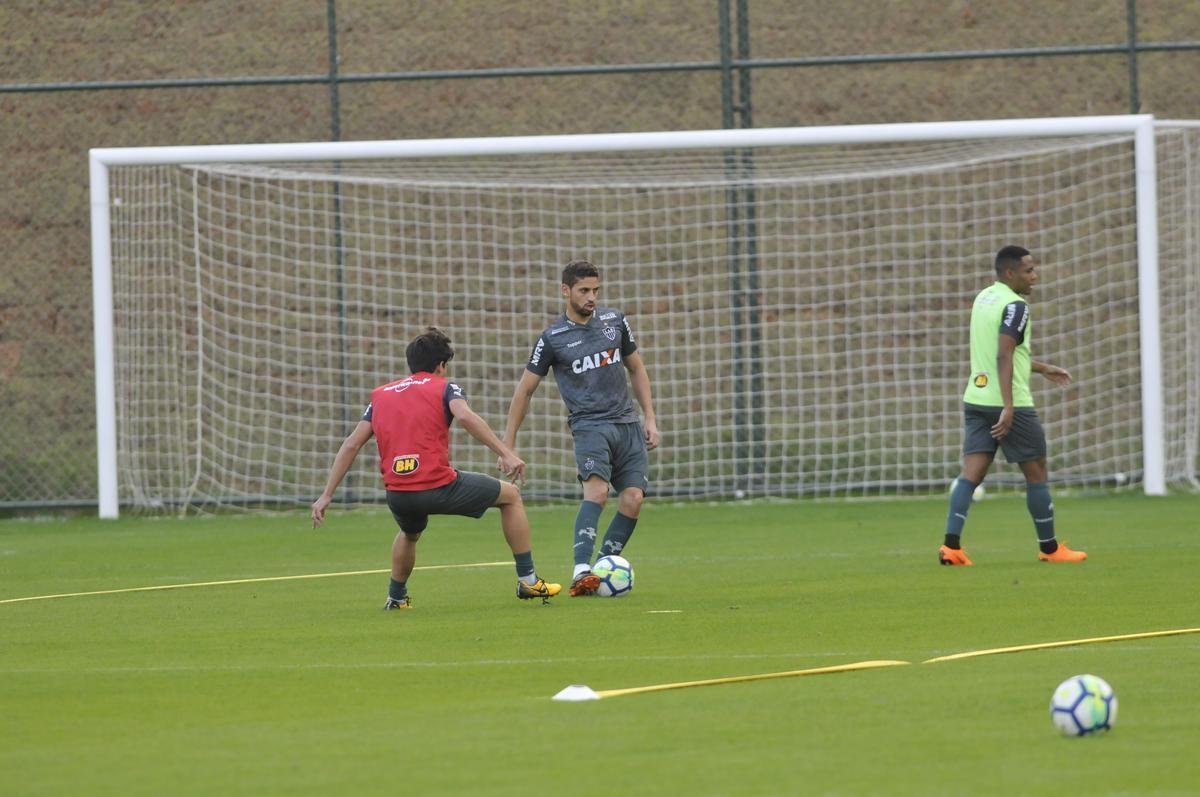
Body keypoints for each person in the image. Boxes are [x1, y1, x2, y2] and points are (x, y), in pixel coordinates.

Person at [311, 327, 561, 608]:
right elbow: (465, 416)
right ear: (441, 365)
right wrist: (506, 452)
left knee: (409, 533)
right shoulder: (445, 387)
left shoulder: (380, 396)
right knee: (511, 496)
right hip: (438, 486)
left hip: (399, 494)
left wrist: (326, 495)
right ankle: (528, 580)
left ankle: (396, 597)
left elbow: (350, 444)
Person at [502, 259, 661, 596]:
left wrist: (649, 417)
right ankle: (581, 569)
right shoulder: (552, 338)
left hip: (627, 423)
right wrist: (508, 444)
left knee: (633, 499)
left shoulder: (615, 322)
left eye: (596, 290)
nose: (592, 297)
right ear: (566, 291)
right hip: (590, 425)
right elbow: (525, 390)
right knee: (599, 492)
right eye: (584, 291)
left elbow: (636, 369)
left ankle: (602, 569)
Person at [940, 245, 1086, 566]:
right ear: (1010, 273)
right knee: (1036, 473)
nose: (1034, 277)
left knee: (970, 475)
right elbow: (1003, 354)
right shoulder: (1016, 306)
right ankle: (1050, 550)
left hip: (976, 397)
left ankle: (951, 547)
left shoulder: (984, 298)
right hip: (1011, 403)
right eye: (1028, 271)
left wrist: (1043, 367)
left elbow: (1007, 353)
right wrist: (1009, 406)